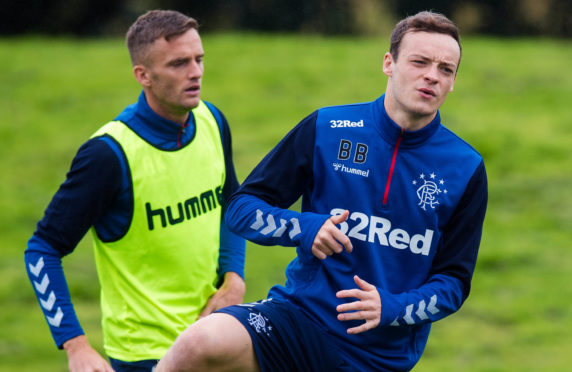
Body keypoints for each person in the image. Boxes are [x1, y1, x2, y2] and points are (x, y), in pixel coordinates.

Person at [156, 10, 488, 372]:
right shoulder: (329, 128)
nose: (431, 76)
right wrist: (305, 228)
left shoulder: (465, 167)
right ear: (389, 63)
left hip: (377, 357)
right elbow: (241, 209)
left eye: (445, 69)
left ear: (453, 81)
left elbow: (453, 284)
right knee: (197, 342)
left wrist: (392, 307)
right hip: (298, 320)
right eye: (420, 62)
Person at [24, 10, 246, 372]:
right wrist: (75, 345)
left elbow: (231, 203)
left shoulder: (212, 120)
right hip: (145, 356)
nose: (196, 72)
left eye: (199, 59)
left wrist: (234, 277)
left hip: (214, 338)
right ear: (143, 75)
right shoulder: (108, 154)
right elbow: (42, 249)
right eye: (178, 64)